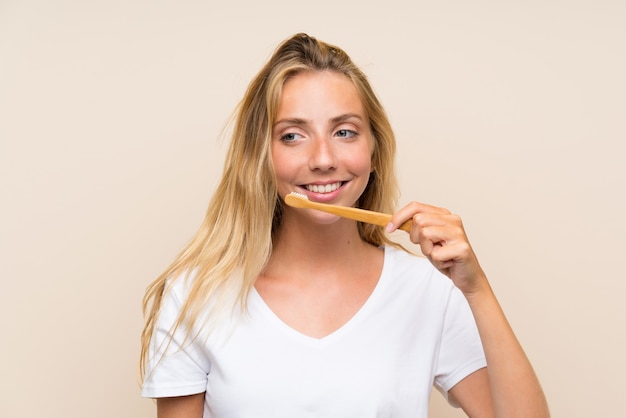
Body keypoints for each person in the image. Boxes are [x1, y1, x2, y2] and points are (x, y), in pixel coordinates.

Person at [140, 33, 550, 418]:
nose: (322, 158)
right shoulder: (194, 297)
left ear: (373, 149)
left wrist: (476, 289)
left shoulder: (429, 290)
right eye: (292, 136)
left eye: (344, 131)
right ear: (260, 155)